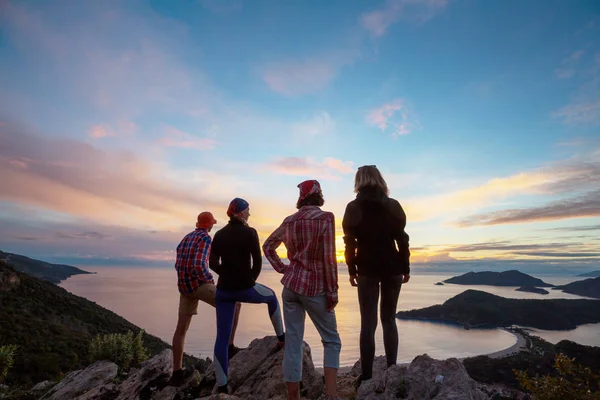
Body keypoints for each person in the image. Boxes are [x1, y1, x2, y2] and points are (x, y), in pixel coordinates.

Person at [263, 180, 341, 400]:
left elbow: (268, 246)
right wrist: (333, 291)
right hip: (314, 287)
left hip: (291, 287)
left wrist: (283, 268)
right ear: (318, 196)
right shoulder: (326, 218)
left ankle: (293, 397)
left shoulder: (289, 221)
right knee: (332, 340)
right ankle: (332, 396)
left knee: (293, 341)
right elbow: (329, 258)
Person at [342, 165, 410, 387]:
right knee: (389, 319)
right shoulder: (393, 206)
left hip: (367, 269)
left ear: (358, 181)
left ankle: (367, 376)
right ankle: (391, 370)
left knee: (367, 324)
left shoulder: (353, 207)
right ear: (380, 180)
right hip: (392, 268)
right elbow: (402, 240)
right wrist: (405, 267)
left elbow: (350, 243)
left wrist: (352, 269)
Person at [210, 198, 285, 394]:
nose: (250, 214)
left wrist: (225, 274)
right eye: (248, 210)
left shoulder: (219, 234)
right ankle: (282, 338)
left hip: (223, 290)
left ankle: (222, 387)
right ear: (241, 213)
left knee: (221, 337)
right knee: (271, 297)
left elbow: (211, 263)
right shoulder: (250, 232)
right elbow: (257, 262)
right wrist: (249, 279)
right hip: (245, 287)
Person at [170, 211, 241, 386]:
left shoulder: (186, 238)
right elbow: (199, 264)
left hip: (185, 287)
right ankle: (230, 347)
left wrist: (184, 280)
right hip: (199, 285)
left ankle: (176, 373)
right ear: (209, 225)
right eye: (212, 224)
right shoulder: (205, 238)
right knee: (235, 303)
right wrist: (209, 280)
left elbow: (178, 263)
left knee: (181, 330)